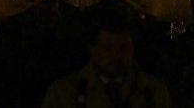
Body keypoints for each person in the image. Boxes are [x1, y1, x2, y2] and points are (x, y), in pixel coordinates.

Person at [42, 8, 170, 108]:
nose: (116, 55)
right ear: (92, 48)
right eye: (107, 48)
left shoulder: (155, 92)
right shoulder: (63, 94)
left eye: (124, 48)